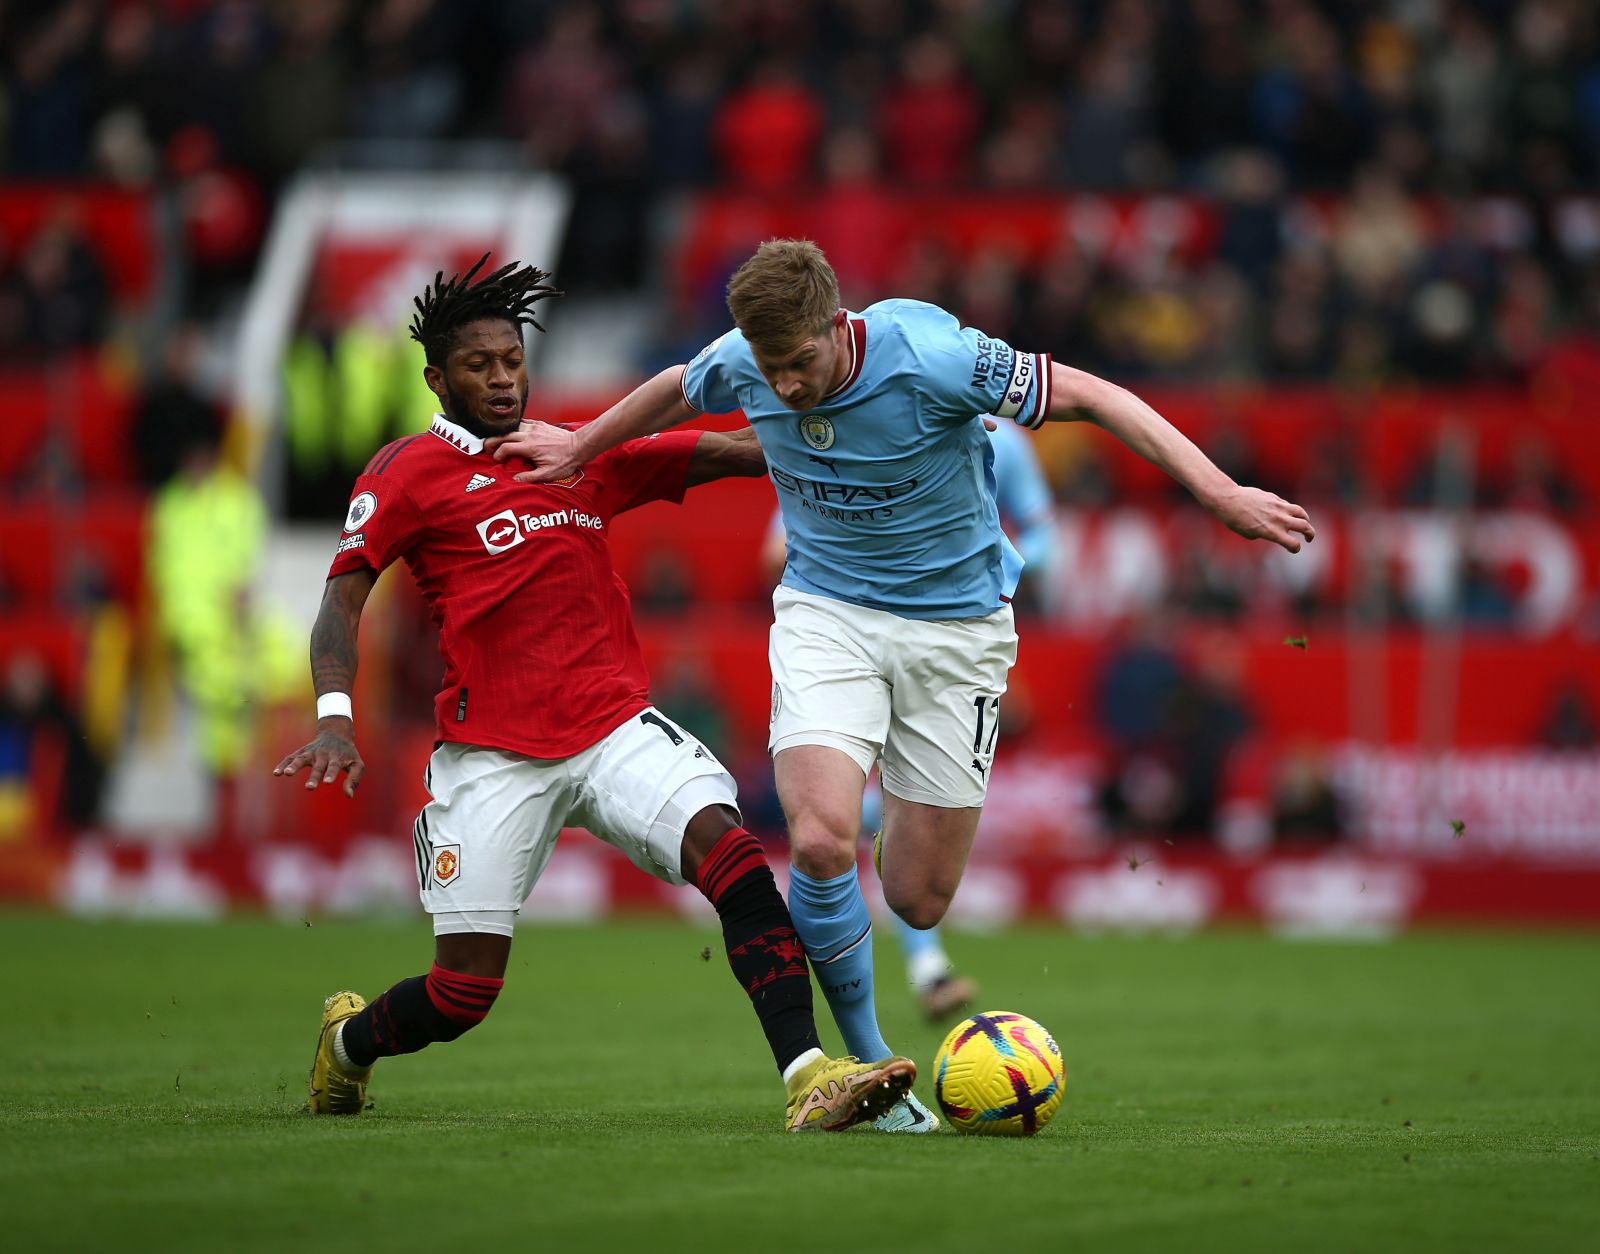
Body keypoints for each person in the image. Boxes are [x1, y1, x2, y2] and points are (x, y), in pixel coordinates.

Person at [490, 239, 1315, 1133]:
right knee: (816, 839)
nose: (789, 387)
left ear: (837, 329)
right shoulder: (746, 361)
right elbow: (675, 386)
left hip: (956, 633)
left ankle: (883, 930)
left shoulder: (933, 357)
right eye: (773, 371)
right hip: (826, 614)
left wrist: (1220, 491)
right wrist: (582, 442)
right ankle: (866, 1068)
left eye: (802, 364)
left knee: (918, 896)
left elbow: (1094, 395)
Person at [272, 255, 914, 1133]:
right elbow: (343, 599)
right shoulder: (408, 472)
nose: (502, 378)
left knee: (734, 862)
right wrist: (335, 718)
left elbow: (737, 449)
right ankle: (347, 1046)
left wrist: (879, 425)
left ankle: (811, 1076)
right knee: (461, 993)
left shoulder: (579, 453)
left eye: (511, 360)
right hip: (494, 754)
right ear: (436, 378)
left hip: (614, 729)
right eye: (478, 365)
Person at [756, 419, 1061, 1023]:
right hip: (849, 639)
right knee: (836, 822)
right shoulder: (852, 425)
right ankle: (919, 972)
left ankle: (890, 949)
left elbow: (1044, 535)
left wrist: (989, 575)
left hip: (952, 641)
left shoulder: (1006, 443)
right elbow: (772, 552)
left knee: (897, 843)